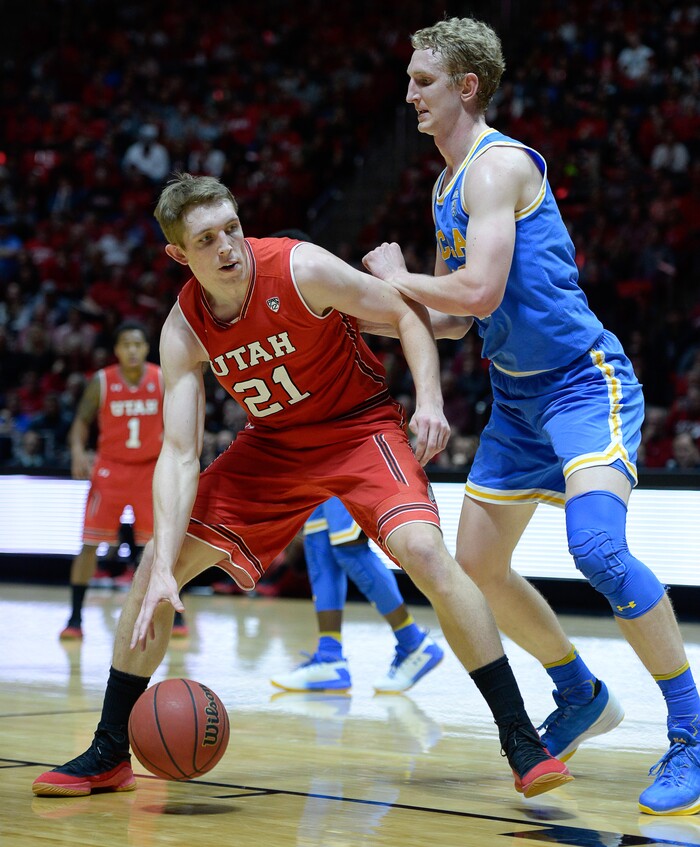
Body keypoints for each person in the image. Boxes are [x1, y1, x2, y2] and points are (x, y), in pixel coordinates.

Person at [32, 172, 572, 800]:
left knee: (426, 553)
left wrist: (428, 399)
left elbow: (404, 314)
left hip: (357, 428)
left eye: (232, 228)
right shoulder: (183, 328)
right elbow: (179, 453)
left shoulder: (300, 267)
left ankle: (520, 739)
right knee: (157, 565)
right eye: (207, 240)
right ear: (180, 255)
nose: (228, 247)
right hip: (272, 446)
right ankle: (108, 750)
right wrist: (161, 567)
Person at [362, 17, 700, 817]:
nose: (409, 93)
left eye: (424, 81)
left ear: (467, 86)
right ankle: (577, 690)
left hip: (584, 384)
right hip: (515, 399)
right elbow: (451, 321)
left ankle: (690, 730)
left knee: (597, 548)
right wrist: (365, 300)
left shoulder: (496, 167)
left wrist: (402, 276)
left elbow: (474, 291)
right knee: (475, 563)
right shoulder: (446, 186)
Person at [58, 321, 188, 640]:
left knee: (161, 547)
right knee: (89, 545)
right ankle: (75, 618)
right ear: (116, 350)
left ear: (146, 348)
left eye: (137, 344)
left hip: (150, 470)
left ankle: (176, 616)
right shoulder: (102, 382)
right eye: (125, 344)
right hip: (110, 470)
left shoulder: (161, 379)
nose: (132, 350)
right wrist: (77, 451)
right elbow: (81, 422)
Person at [270, 497, 444, 693]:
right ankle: (330, 657)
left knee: (349, 548)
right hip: (315, 468)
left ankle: (413, 642)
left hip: (344, 467)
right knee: (319, 548)